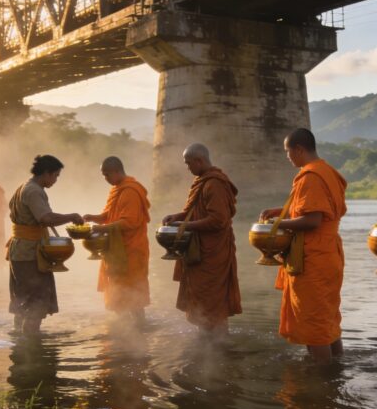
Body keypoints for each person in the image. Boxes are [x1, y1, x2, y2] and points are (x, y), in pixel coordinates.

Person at [260, 128, 347, 364]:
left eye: (288, 152)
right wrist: (283, 211)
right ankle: (336, 366)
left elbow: (313, 219)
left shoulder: (311, 176)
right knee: (326, 318)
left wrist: (278, 223)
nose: (288, 157)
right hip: (329, 254)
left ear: (299, 149)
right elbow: (314, 209)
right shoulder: (327, 172)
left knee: (313, 322)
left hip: (313, 259)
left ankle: (321, 380)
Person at [161, 143, 241, 335]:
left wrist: (184, 227)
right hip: (199, 253)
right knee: (201, 301)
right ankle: (207, 344)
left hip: (213, 255)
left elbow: (218, 220)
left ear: (199, 160)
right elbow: (196, 211)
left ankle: (219, 346)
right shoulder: (202, 181)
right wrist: (179, 217)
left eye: (188, 163)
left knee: (214, 303)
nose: (188, 168)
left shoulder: (215, 184)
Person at [8, 155, 83, 333]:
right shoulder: (33, 191)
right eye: (56, 176)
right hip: (29, 253)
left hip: (20, 250)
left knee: (23, 301)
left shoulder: (24, 187)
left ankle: (21, 344)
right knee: (36, 304)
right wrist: (71, 216)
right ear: (46, 173)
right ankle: (32, 348)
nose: (56, 180)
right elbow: (46, 218)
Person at [83, 156, 151, 325]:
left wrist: (102, 228)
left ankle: (140, 328)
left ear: (116, 171)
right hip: (116, 250)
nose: (105, 179)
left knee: (133, 293)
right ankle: (123, 330)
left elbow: (129, 222)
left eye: (106, 175)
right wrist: (93, 218)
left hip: (132, 250)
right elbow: (108, 215)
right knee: (117, 291)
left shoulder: (131, 191)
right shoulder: (117, 189)